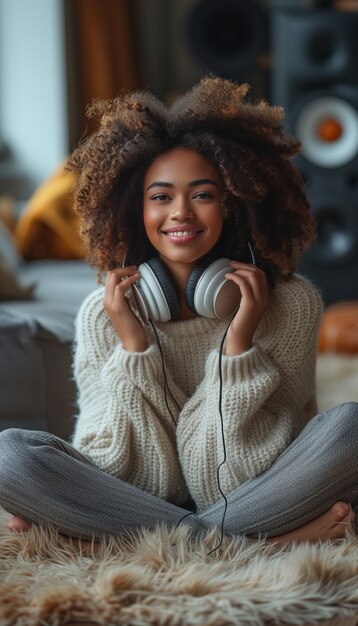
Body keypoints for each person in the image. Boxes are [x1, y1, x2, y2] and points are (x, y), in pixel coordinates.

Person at [0, 77, 357, 547]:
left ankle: (115, 543)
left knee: (348, 427)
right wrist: (134, 348)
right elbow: (131, 476)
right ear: (135, 208)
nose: (181, 213)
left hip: (261, 491)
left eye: (203, 195)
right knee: (10, 456)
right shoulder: (103, 313)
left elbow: (230, 480)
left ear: (232, 204)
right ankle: (256, 544)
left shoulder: (290, 303)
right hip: (152, 502)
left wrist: (237, 347)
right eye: (161, 196)